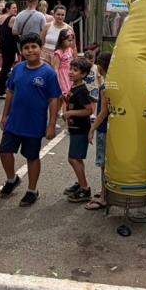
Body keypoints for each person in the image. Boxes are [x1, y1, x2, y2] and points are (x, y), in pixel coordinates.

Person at [0, 32, 62, 206]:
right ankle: (12, 179)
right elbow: (10, 92)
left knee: (32, 157)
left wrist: (51, 125)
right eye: (26, 47)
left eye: (34, 47)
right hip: (14, 121)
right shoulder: (18, 68)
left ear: (40, 49)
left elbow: (54, 99)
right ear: (22, 50)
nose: (30, 50)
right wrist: (5, 115)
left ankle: (32, 190)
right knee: (4, 151)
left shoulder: (48, 73)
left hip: (34, 124)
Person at [63, 57, 96, 203]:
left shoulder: (82, 90)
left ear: (83, 74)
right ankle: (80, 182)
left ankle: (84, 188)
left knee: (73, 159)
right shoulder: (74, 87)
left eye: (75, 70)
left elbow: (89, 110)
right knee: (77, 158)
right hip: (75, 128)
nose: (70, 72)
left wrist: (71, 113)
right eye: (70, 69)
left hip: (81, 129)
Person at [85, 51, 113, 211]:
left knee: (104, 164)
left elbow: (103, 111)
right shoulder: (115, 83)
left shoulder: (105, 87)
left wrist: (92, 128)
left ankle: (104, 196)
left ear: (101, 67)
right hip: (113, 128)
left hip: (104, 128)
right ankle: (106, 191)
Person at [0, 2, 19, 99]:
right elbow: (16, 32)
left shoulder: (0, 17)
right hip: (10, 45)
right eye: (13, 8)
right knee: (6, 68)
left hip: (3, 44)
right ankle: (1, 91)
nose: (15, 9)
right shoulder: (13, 18)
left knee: (6, 67)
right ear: (8, 9)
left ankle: (3, 88)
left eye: (16, 8)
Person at [52, 29, 76, 115]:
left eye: (72, 40)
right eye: (68, 40)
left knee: (65, 99)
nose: (71, 42)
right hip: (62, 77)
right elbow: (55, 68)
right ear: (62, 40)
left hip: (69, 76)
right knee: (65, 97)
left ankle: (59, 115)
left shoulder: (70, 50)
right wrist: (57, 81)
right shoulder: (58, 53)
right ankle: (60, 117)